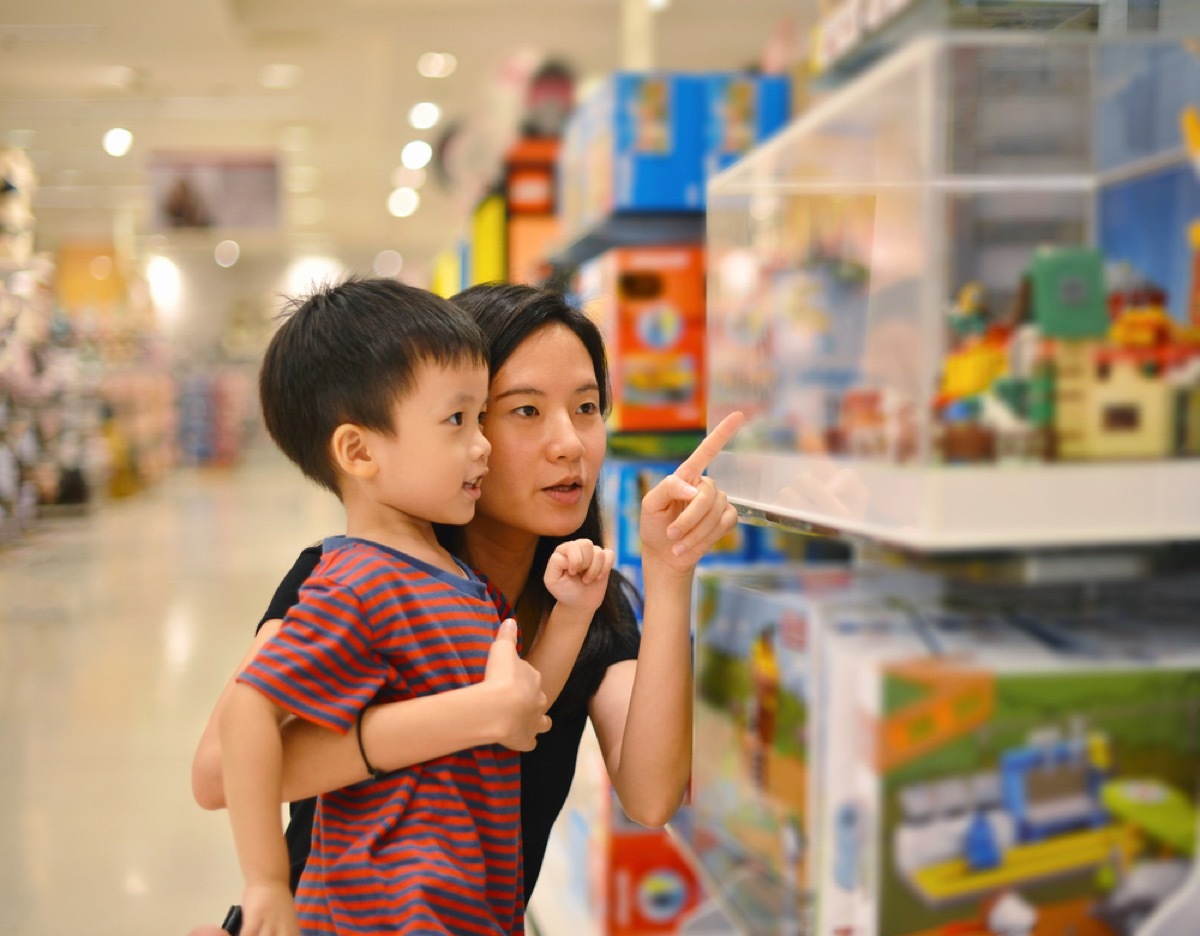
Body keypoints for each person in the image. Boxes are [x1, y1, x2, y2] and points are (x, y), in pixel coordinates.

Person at [191, 282, 743, 931]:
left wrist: (670, 571)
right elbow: (217, 773)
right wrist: (464, 719)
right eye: (525, 411)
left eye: (588, 406)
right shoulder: (353, 573)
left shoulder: (584, 597)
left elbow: (651, 797)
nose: (570, 442)